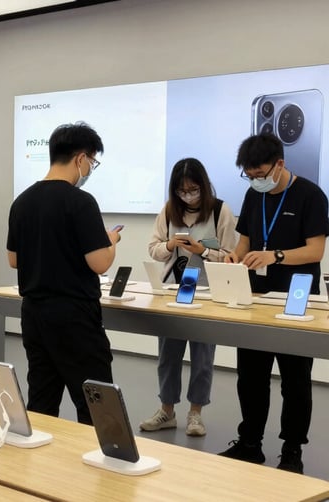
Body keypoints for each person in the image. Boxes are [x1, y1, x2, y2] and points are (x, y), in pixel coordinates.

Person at [219, 133, 329, 474]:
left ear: (279, 164)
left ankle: (292, 450)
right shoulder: (254, 196)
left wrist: (276, 255)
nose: (255, 181)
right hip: (256, 296)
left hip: (297, 295)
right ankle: (250, 442)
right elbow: (244, 243)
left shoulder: (311, 195)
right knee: (250, 375)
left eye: (260, 174)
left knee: (296, 377)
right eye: (249, 176)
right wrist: (233, 259)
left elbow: (315, 251)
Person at [6, 122, 121, 423]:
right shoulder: (81, 202)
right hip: (74, 316)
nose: (91, 168)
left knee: (42, 398)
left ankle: (41, 465)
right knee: (96, 400)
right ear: (81, 158)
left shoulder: (22, 202)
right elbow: (100, 263)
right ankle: (104, 463)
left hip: (33, 314)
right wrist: (110, 242)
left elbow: (13, 260)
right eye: (92, 161)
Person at [140, 158, 237, 436]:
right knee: (167, 355)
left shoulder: (221, 211)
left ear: (203, 186)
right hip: (173, 290)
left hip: (207, 292)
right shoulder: (170, 210)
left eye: (193, 189)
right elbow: (153, 248)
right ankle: (166, 411)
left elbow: (231, 255)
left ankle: (196, 413)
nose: (188, 196)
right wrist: (170, 244)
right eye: (182, 191)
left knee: (203, 356)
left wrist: (202, 250)